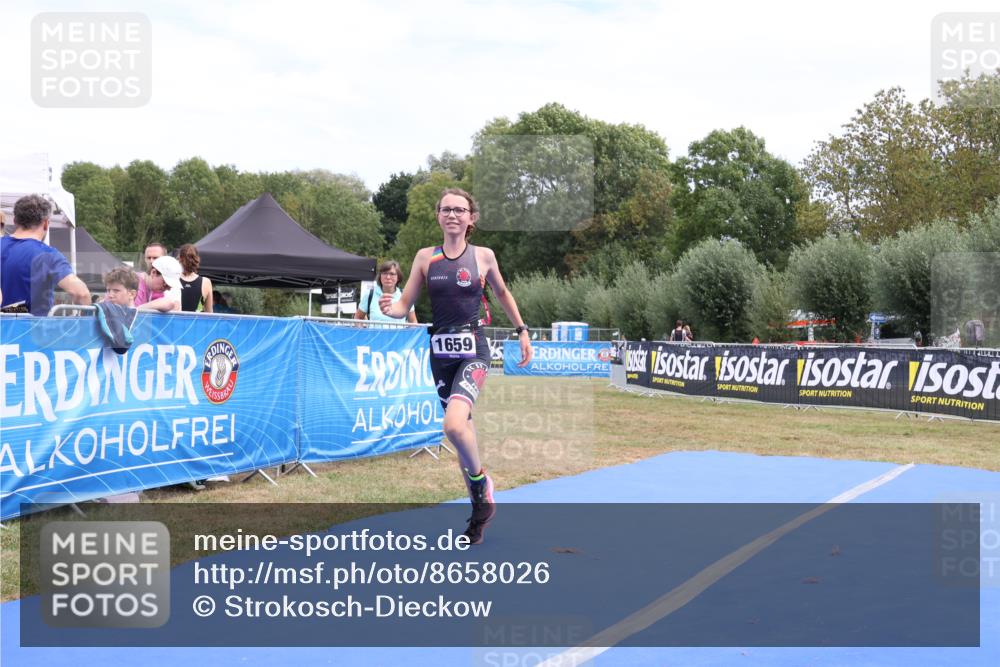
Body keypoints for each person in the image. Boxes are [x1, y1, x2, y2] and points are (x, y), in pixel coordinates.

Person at [381, 188, 532, 545]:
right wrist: (392, 310)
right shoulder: (424, 258)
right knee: (465, 436)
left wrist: (522, 331)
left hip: (474, 350)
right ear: (438, 216)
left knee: (452, 425)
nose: (452, 215)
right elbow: (405, 305)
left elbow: (503, 294)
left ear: (471, 218)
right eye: (446, 209)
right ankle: (478, 520)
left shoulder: (484, 257)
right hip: (440, 354)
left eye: (459, 210)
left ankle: (481, 484)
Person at [0, 194, 90, 315]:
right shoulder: (48, 255)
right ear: (46, 223)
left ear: (15, 221)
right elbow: (81, 293)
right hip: (31, 330)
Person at [355, 260, 417, 324]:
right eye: (385, 273)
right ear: (380, 276)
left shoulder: (405, 296)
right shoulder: (369, 294)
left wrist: (409, 334)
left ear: (398, 277)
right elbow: (358, 318)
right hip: (375, 334)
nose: (388, 277)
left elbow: (413, 321)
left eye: (392, 274)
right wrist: (363, 333)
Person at [177, 244, 214, 313]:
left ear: (180, 258)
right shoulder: (206, 282)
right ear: (196, 259)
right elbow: (209, 313)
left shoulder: (173, 279)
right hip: (196, 323)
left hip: (175, 322)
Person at [134, 242, 168, 306]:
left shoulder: (173, 282)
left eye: (155, 258)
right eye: (148, 258)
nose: (151, 261)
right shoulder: (136, 280)